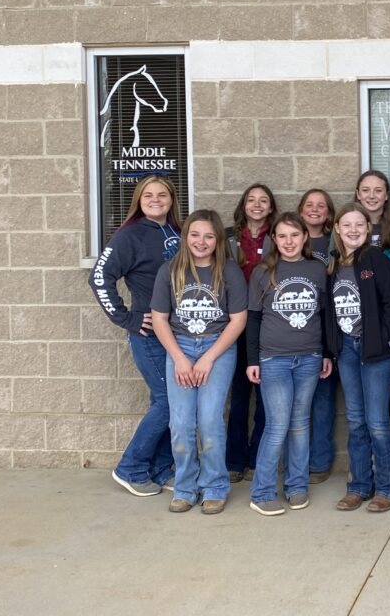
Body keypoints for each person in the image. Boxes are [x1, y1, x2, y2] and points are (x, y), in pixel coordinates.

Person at [150, 209, 247, 515]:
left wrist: (208, 358)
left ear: (218, 239)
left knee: (209, 420)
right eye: (195, 234)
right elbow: (159, 318)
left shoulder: (228, 271)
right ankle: (185, 487)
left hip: (216, 349)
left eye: (208, 236)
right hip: (179, 349)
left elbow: (238, 319)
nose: (201, 241)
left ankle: (215, 485)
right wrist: (179, 358)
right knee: (180, 423)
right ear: (185, 237)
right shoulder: (170, 270)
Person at [90, 175, 181, 497]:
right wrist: (125, 317)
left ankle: (160, 468)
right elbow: (99, 277)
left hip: (180, 334)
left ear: (171, 199)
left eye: (162, 195)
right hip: (150, 335)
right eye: (148, 195)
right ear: (139, 200)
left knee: (171, 401)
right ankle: (130, 467)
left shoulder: (178, 232)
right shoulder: (128, 236)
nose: (156, 200)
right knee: (168, 402)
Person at [245, 212, 333, 516]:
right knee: (277, 426)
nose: (289, 241)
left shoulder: (316, 269)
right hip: (274, 359)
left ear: (305, 237)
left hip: (309, 357)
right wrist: (252, 359)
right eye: (282, 236)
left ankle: (297, 486)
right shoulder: (263, 271)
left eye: (294, 235)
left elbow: (324, 316)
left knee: (299, 425)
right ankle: (263, 491)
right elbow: (253, 318)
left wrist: (326, 353)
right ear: (274, 239)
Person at [323, 203, 390, 513]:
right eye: (347, 225)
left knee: (377, 423)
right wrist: (333, 348)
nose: (354, 229)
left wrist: (382, 338)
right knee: (355, 421)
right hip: (346, 351)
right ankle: (358, 486)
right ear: (338, 230)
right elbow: (329, 312)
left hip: (374, 353)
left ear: (367, 230)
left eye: (360, 224)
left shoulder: (376, 260)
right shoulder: (333, 266)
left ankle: (386, 488)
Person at [225, 183, 277, 483]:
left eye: (263, 201)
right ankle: (235, 460)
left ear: (271, 207)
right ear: (243, 205)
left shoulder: (278, 237)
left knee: (266, 397)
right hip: (234, 325)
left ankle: (259, 456)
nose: (257, 205)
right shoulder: (229, 238)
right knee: (239, 397)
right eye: (251, 200)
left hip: (267, 325)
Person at [298, 188, 337, 485]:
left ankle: (320, 461)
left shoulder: (335, 241)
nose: (314, 209)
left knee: (322, 399)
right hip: (294, 328)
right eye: (309, 205)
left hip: (330, 325)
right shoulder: (288, 239)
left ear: (329, 212)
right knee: (295, 403)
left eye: (320, 205)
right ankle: (295, 461)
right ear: (300, 211)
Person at [355, 170, 390, 269]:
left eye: (378, 190)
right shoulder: (344, 226)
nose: (371, 196)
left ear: (386, 195)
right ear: (358, 194)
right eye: (365, 190)